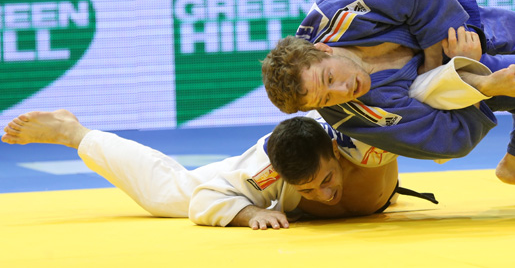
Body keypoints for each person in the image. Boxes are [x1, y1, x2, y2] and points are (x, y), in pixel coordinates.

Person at [261, 0, 515, 195]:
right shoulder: (354, 115)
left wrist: (433, 62)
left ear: (322, 48)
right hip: (461, 85)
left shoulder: (338, 12)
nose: (341, 92)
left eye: (330, 78)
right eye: (326, 99)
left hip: (457, 28)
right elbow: (446, 140)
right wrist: (468, 76)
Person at [1, 109, 435, 229]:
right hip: (262, 165)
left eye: (325, 180)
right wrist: (250, 214)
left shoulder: (363, 137)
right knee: (167, 195)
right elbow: (205, 199)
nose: (323, 194)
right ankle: (74, 132)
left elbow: (429, 107)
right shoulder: (265, 171)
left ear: (335, 155)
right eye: (308, 189)